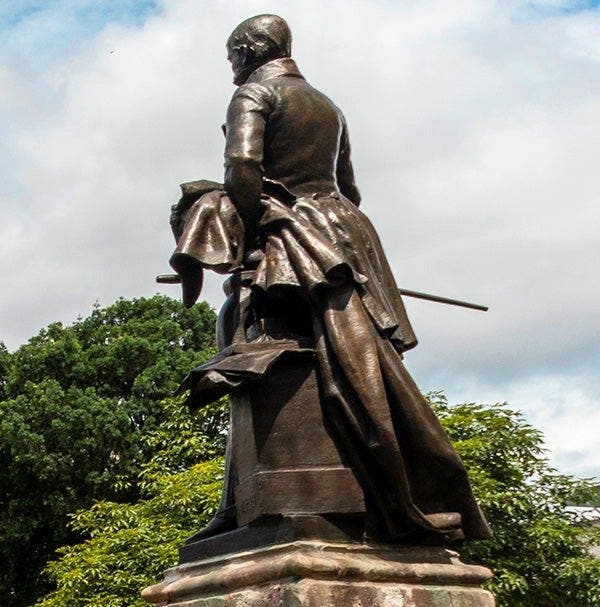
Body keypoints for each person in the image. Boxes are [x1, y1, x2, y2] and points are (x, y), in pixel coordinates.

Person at [172, 14, 487, 546]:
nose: (231, 70)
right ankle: (238, 500)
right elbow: (349, 188)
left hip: (291, 236)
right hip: (342, 233)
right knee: (351, 360)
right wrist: (334, 239)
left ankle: (291, 496)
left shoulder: (255, 95)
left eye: (232, 58)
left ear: (249, 51)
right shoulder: (328, 105)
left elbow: (242, 167)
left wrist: (253, 232)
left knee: (263, 342)